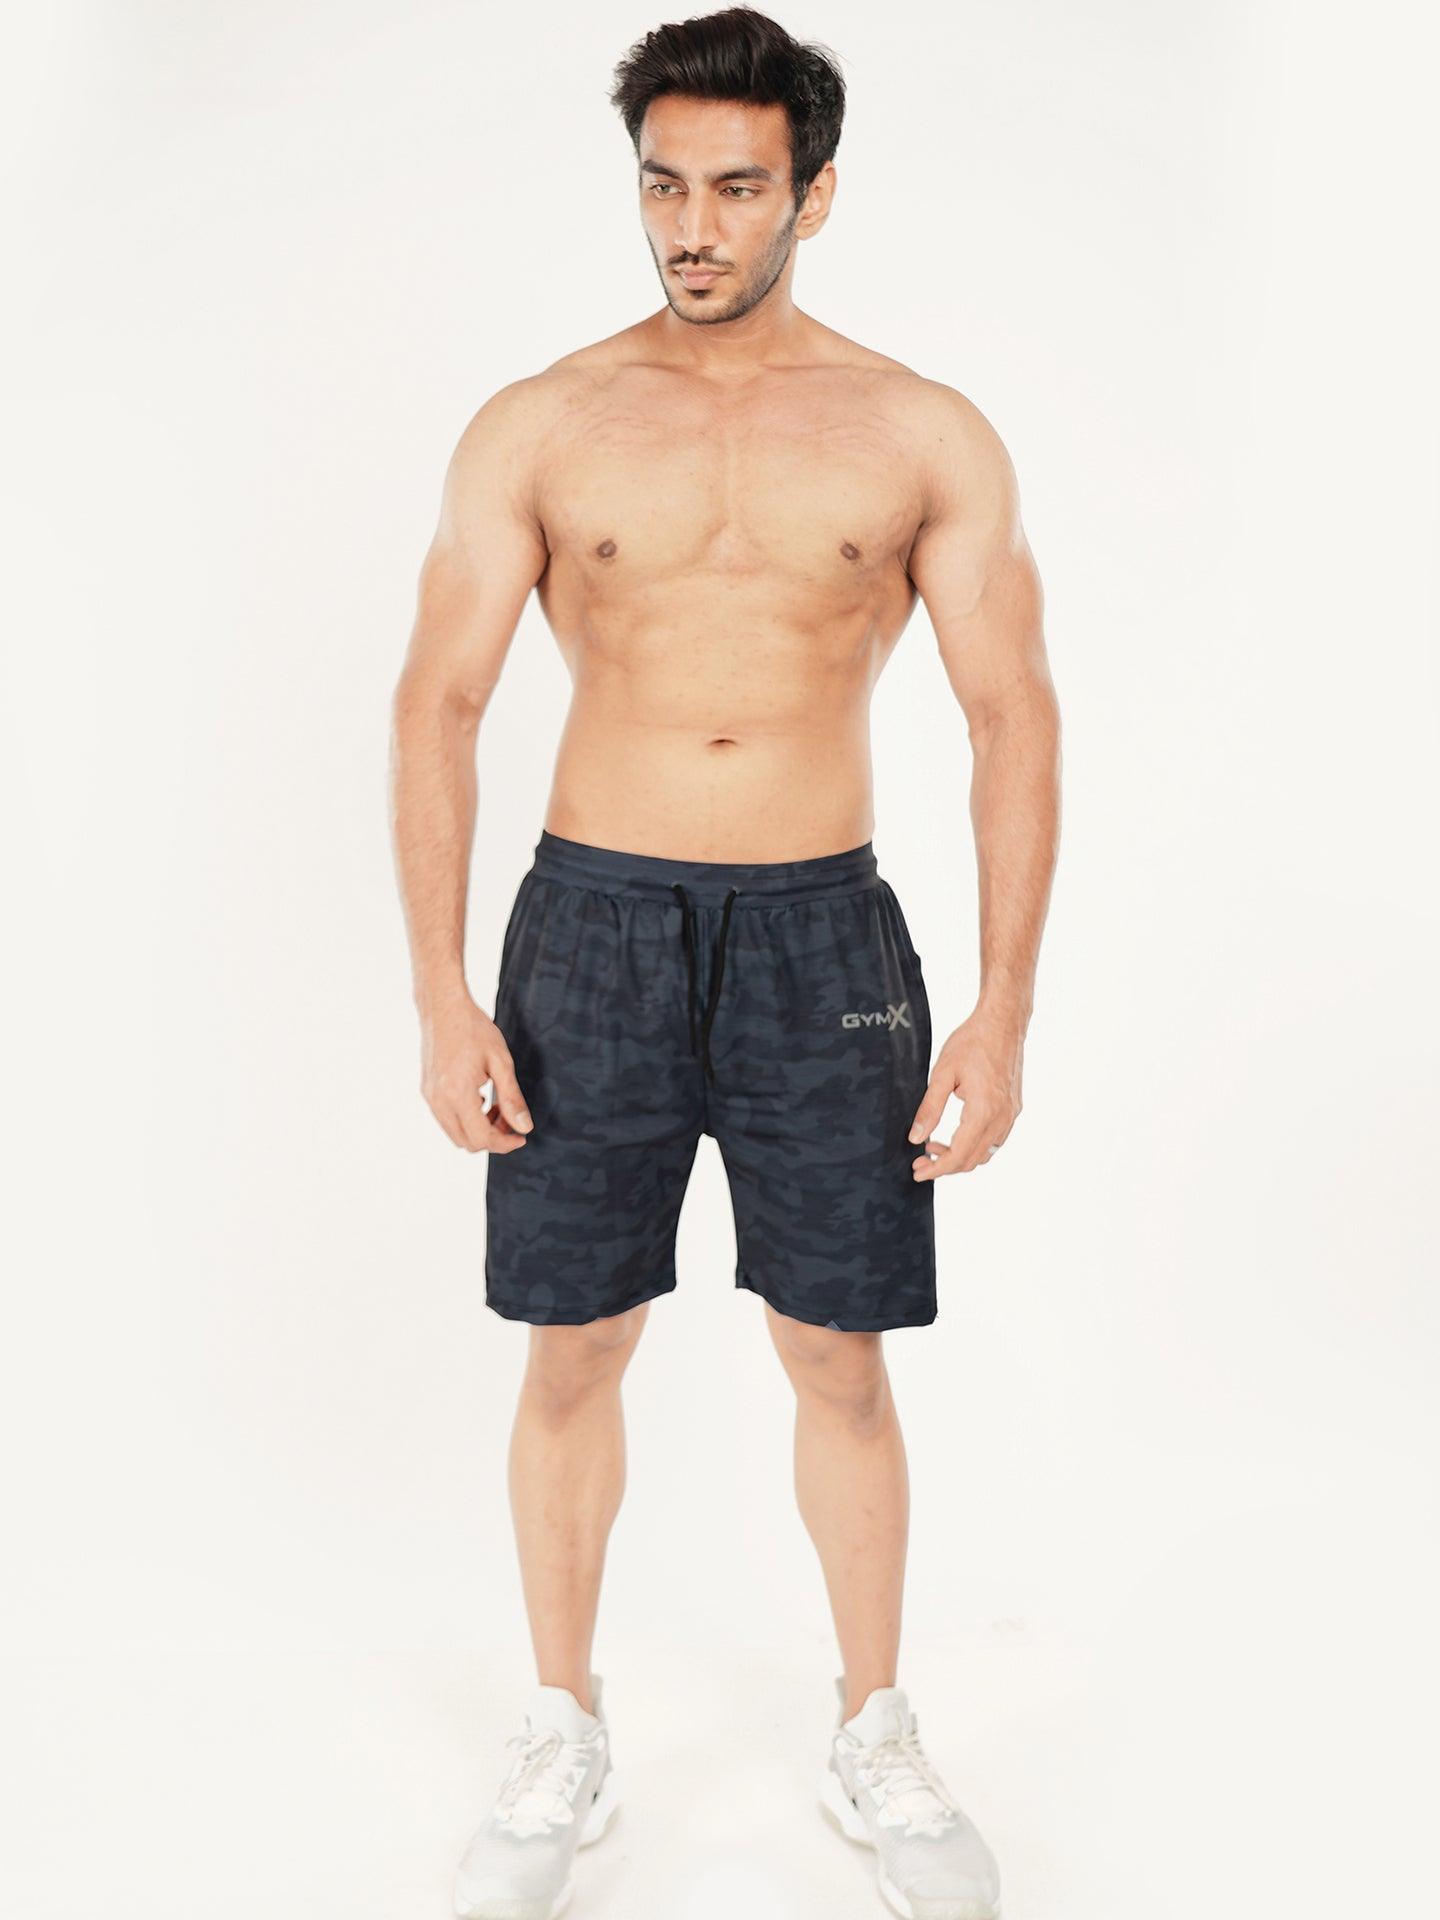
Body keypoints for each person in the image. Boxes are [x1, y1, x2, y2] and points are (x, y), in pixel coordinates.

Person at [388, 8, 1061, 1917]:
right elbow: (440, 703)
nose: (692, 226)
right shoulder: (542, 421)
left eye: (737, 188)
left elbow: (1011, 716)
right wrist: (442, 994)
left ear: (814, 196)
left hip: (820, 936)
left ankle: (875, 1728)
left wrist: (1003, 1009)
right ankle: (562, 1723)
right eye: (665, 184)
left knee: (837, 1350)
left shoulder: (920, 432)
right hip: (587, 926)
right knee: (575, 1339)